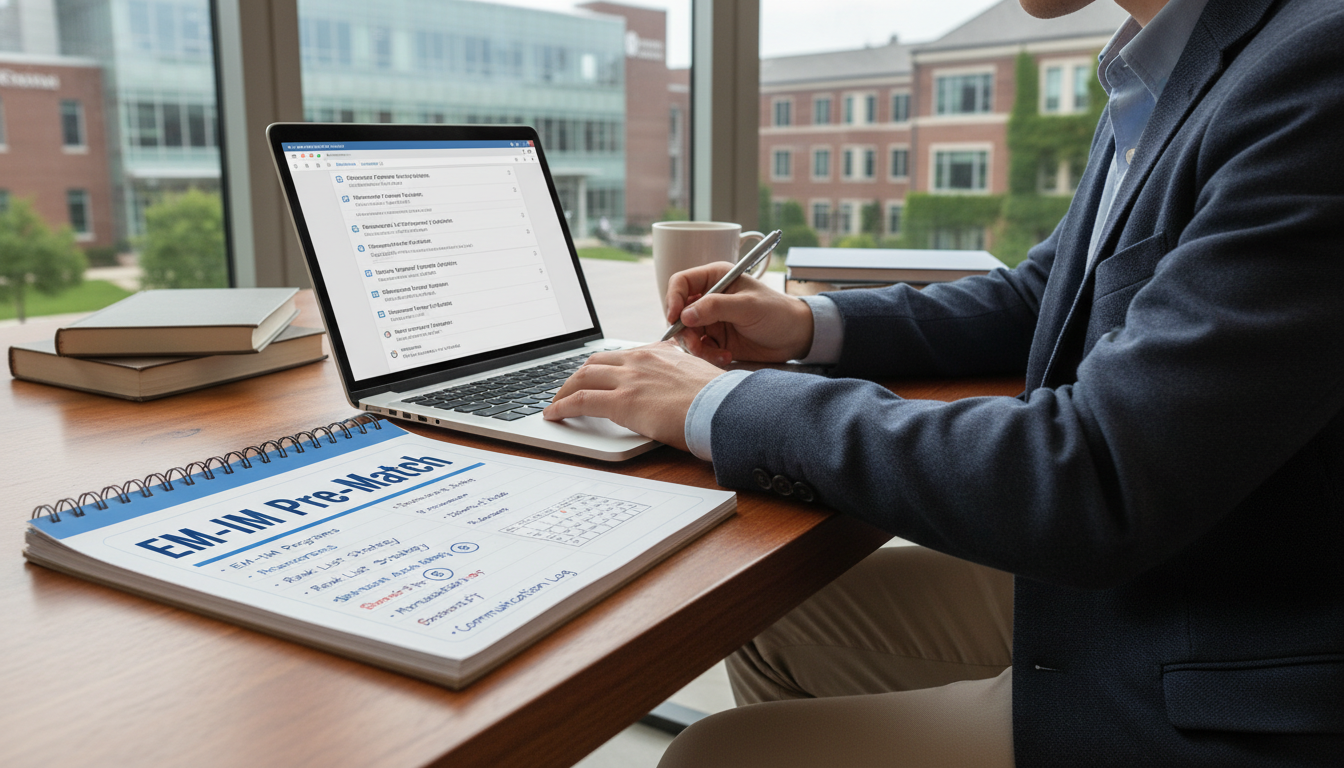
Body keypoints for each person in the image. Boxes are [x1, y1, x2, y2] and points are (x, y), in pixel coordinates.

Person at [543, 0, 1344, 763]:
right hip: (1185, 568)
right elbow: (1040, 294)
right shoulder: (1167, 65)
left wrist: (715, 403)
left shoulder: (1314, 64)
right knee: (770, 621)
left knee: (711, 756)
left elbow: (1093, 474)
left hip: (1243, 645)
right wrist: (807, 326)